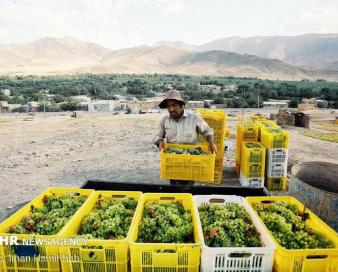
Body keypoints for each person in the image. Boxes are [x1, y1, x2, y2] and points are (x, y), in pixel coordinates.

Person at [154, 90, 217, 185]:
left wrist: (211, 143)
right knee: (174, 184)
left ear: (181, 105)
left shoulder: (194, 118)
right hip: (173, 159)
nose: (171, 109)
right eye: (168, 106)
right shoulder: (164, 120)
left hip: (191, 160)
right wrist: (159, 142)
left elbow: (207, 131)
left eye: (174, 105)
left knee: (188, 185)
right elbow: (157, 136)